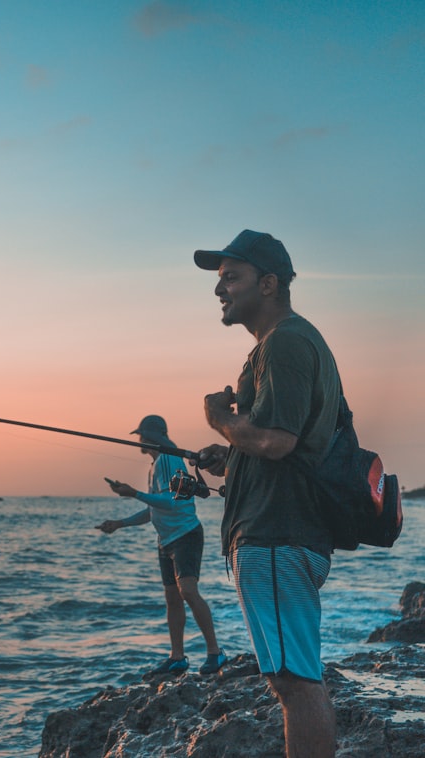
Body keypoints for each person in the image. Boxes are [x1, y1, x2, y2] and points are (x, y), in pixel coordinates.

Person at [193, 229, 340, 758]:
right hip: (281, 533)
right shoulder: (282, 346)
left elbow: (277, 443)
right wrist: (230, 453)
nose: (220, 290)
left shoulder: (286, 342)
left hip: (277, 535)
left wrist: (220, 420)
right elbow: (286, 445)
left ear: (270, 283)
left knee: (294, 684)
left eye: (231, 277)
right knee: (294, 678)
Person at [96, 414, 227, 676]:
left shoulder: (169, 458)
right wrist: (119, 523)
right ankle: (177, 657)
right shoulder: (154, 465)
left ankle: (216, 653)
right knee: (172, 599)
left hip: (185, 535)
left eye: (142, 436)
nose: (140, 441)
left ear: (152, 436)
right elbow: (154, 510)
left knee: (188, 592)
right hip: (165, 540)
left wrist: (133, 493)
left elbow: (172, 502)